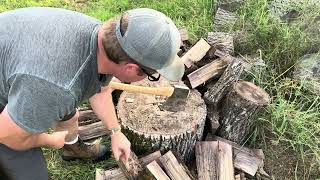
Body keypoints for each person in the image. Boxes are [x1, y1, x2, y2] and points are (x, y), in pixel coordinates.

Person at [0, 7, 184, 180]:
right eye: (152, 74)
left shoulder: (104, 39)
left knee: (68, 113)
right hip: (14, 114)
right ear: (131, 68)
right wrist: (49, 140)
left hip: (25, 69)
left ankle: (71, 149)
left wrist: (115, 132)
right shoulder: (58, 87)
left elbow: (100, 89)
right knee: (29, 172)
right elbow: (7, 134)